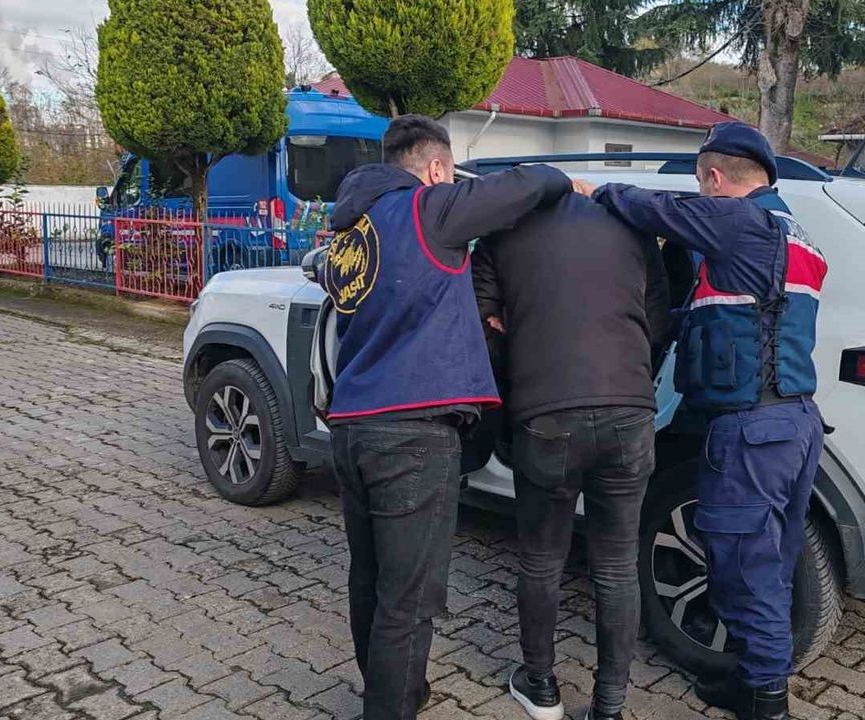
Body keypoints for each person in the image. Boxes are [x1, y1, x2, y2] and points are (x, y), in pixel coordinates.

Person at [319, 114, 575, 720]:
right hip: (413, 435)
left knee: (370, 579)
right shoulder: (429, 209)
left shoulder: (352, 231)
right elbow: (532, 182)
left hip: (353, 427)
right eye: (452, 175)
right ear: (436, 170)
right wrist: (570, 183)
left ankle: (395, 690)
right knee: (409, 599)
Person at [578, 122, 828, 720]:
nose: (701, 195)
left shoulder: (739, 221)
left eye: (701, 184)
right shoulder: (797, 233)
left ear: (715, 178)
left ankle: (766, 702)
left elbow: (659, 210)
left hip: (752, 428)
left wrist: (599, 193)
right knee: (769, 562)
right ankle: (752, 679)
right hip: (795, 422)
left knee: (745, 569)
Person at [473, 192, 672, 720]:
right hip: (629, 410)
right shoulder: (632, 226)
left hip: (545, 414)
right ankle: (609, 708)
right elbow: (658, 321)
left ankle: (540, 687)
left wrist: (521, 358)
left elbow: (481, 326)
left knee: (541, 559)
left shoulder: (501, 226)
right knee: (617, 565)